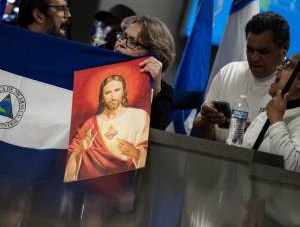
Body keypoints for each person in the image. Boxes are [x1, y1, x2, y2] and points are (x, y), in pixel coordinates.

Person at [193, 11, 290, 142]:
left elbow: (288, 154)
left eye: (263, 51)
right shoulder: (228, 72)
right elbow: (203, 139)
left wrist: (252, 128)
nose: (254, 58)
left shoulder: (291, 88)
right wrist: (206, 120)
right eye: (250, 50)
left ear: (284, 49)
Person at [64, 75, 150, 182]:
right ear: (102, 97)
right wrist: (80, 149)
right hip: (90, 185)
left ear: (123, 92)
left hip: (122, 185)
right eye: (107, 93)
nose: (113, 96)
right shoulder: (90, 124)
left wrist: (135, 153)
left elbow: (146, 152)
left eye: (117, 90)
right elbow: (71, 157)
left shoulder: (139, 116)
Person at [114, 15, 176, 130]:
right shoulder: (95, 69)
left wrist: (155, 92)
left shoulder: (163, 91)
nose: (121, 43)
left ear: (153, 56)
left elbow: (153, 136)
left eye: (133, 42)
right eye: (122, 37)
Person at [242, 54, 300, 171]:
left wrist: (277, 121)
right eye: (283, 62)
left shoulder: (276, 115)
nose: (279, 67)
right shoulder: (265, 115)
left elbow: (292, 167)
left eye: (288, 64)